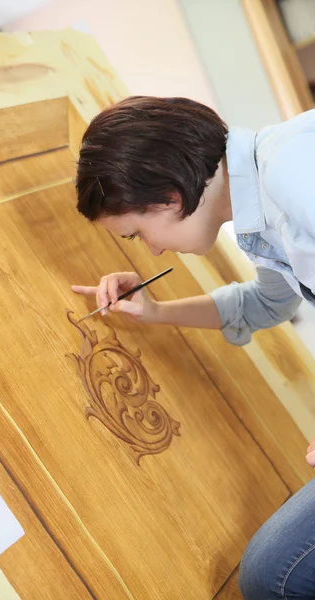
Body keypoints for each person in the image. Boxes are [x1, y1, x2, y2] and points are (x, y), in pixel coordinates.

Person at [71, 95, 315, 599]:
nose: (155, 250)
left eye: (137, 235)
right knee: (270, 572)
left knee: (276, 575)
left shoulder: (292, 169)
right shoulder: (260, 218)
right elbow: (264, 304)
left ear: (168, 197)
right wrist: (156, 311)